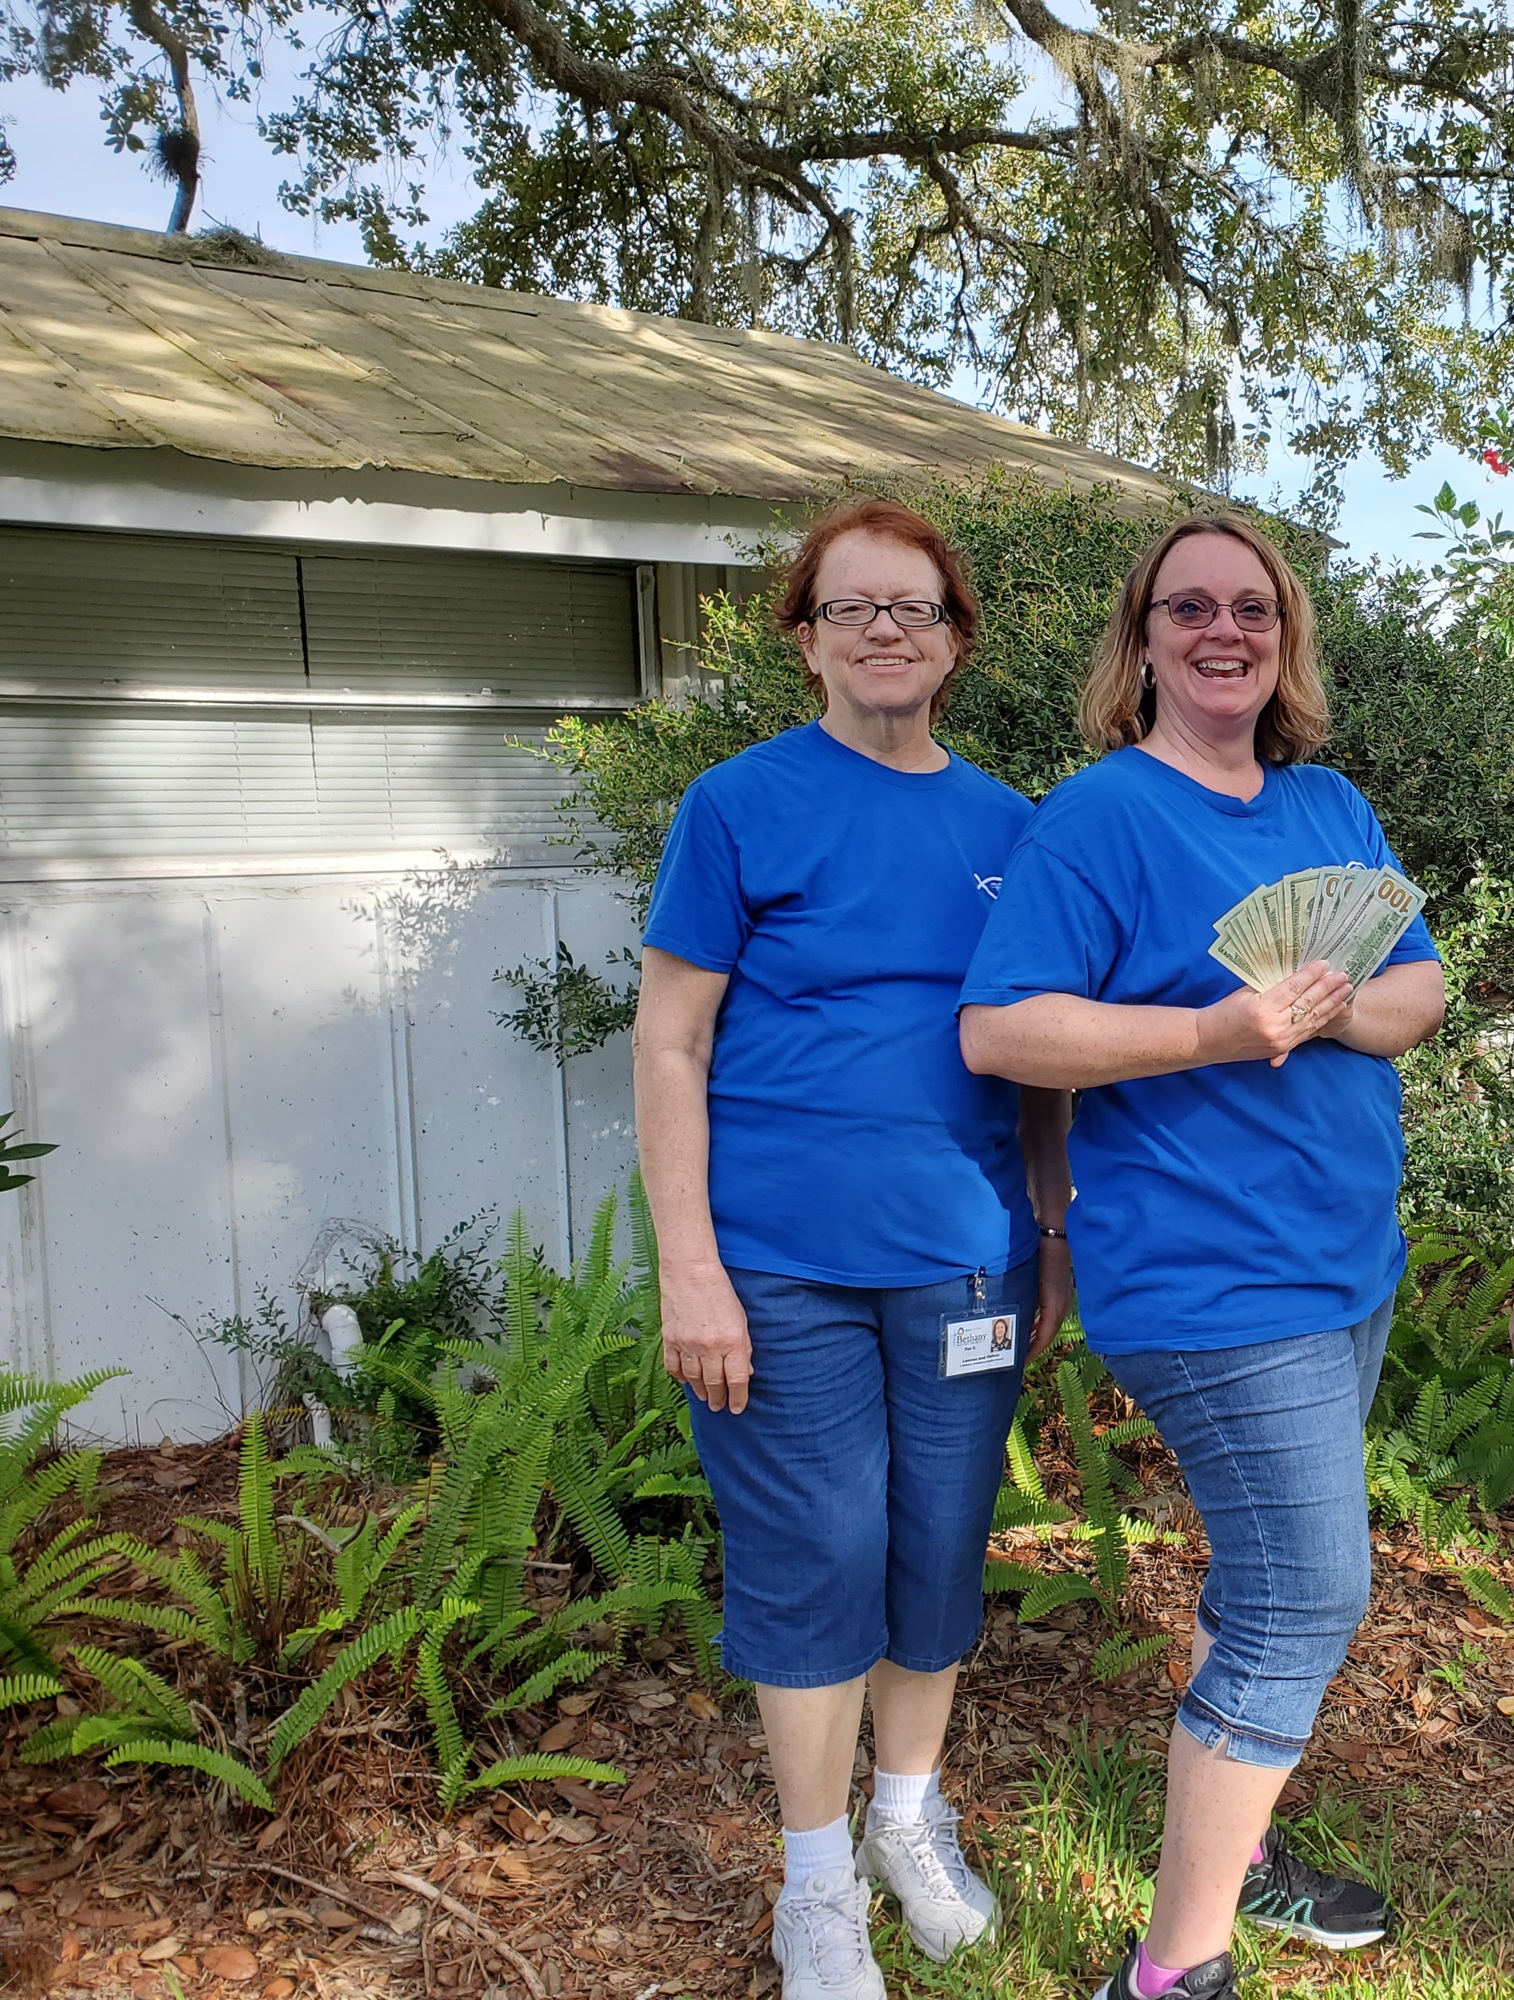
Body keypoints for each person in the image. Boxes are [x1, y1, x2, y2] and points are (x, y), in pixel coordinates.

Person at [958, 514, 1445, 2000]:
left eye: (1251, 607)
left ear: (1282, 634)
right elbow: (1002, 1029)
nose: (1221, 630)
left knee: (1259, 1590)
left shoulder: (1326, 803)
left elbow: (1415, 986)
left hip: (1341, 1261)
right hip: (1209, 1284)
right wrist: (1215, 1031)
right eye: (1188, 608)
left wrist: (1331, 1005)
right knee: (1307, 1601)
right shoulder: (1099, 816)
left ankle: (1230, 1853)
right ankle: (1172, 1970)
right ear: (1143, 637)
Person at [633, 498, 1074, 2000]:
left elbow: (1038, 1059)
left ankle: (906, 1819)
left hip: (966, 1260)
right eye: (851, 608)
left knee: (941, 1546)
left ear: (955, 639)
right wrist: (690, 1267)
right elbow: (670, 1040)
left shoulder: (1015, 828)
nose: (884, 631)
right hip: (777, 1268)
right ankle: (813, 1882)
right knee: (812, 1554)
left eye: (914, 609)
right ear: (804, 637)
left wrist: (1052, 1233)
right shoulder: (738, 805)